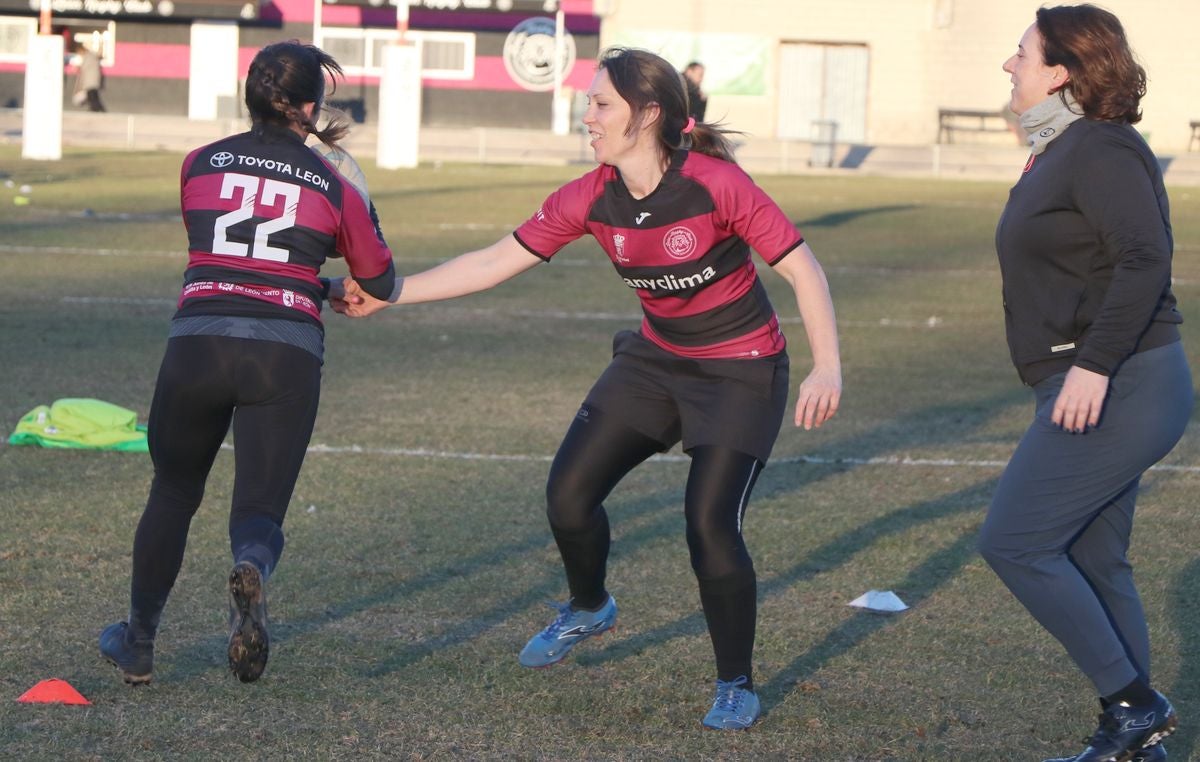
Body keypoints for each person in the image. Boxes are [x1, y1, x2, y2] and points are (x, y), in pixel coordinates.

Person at [334, 46, 841, 729]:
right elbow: (493, 260)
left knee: (709, 527)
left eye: (602, 104)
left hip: (741, 372)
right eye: (590, 102)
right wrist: (389, 293)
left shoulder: (717, 185)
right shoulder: (589, 195)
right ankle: (589, 606)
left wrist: (827, 363)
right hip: (654, 362)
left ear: (649, 114)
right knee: (568, 499)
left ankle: (735, 681)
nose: (588, 115)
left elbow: (804, 271)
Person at [98, 40, 397, 686]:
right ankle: (253, 568)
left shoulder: (198, 163)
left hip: (197, 344)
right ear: (313, 105)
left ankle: (138, 641)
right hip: (283, 353)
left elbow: (226, 258)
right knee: (258, 512)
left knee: (173, 490)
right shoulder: (331, 180)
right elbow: (381, 277)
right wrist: (334, 264)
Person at [977, 6, 1189, 762]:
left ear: (1061, 69)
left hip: (1120, 381)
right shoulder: (1058, 149)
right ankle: (1140, 745)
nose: (1010, 64)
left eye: (1022, 53)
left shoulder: (1100, 147)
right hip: (1086, 380)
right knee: (1098, 560)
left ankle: (1134, 704)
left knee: (1015, 541)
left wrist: (1092, 366)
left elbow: (1144, 259)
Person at [74, 43, 105, 112]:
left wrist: (79, 67)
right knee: (93, 96)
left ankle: (98, 109)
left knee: (92, 96)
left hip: (91, 80)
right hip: (92, 80)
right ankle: (95, 109)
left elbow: (84, 68)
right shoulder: (91, 55)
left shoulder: (88, 56)